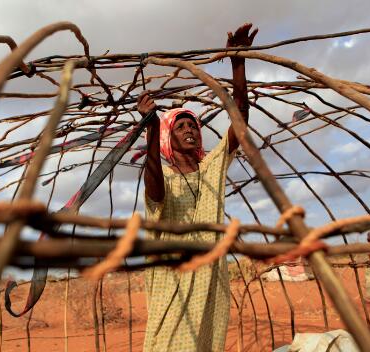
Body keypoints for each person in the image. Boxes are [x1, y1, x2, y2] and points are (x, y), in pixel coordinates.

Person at [137, 24, 258, 352]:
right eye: (180, 126)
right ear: (167, 138)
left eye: (193, 125)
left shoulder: (212, 168)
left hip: (210, 280)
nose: (190, 130)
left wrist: (238, 64)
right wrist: (150, 128)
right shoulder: (162, 176)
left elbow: (239, 120)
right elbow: (155, 191)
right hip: (173, 280)